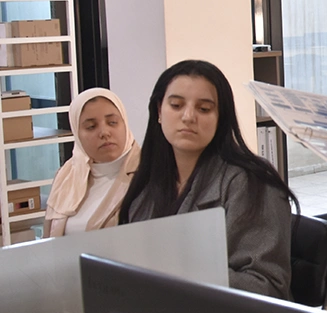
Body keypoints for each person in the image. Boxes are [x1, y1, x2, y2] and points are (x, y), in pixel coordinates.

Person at [119, 60, 296, 300]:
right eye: (176, 105)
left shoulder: (251, 183)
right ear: (159, 112)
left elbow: (267, 288)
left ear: (220, 118)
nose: (188, 117)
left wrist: (181, 273)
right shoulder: (150, 179)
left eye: (204, 109)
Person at [44, 88, 140, 237]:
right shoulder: (66, 175)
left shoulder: (147, 173)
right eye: (91, 127)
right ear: (77, 134)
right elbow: (48, 238)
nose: (104, 132)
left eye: (112, 122)